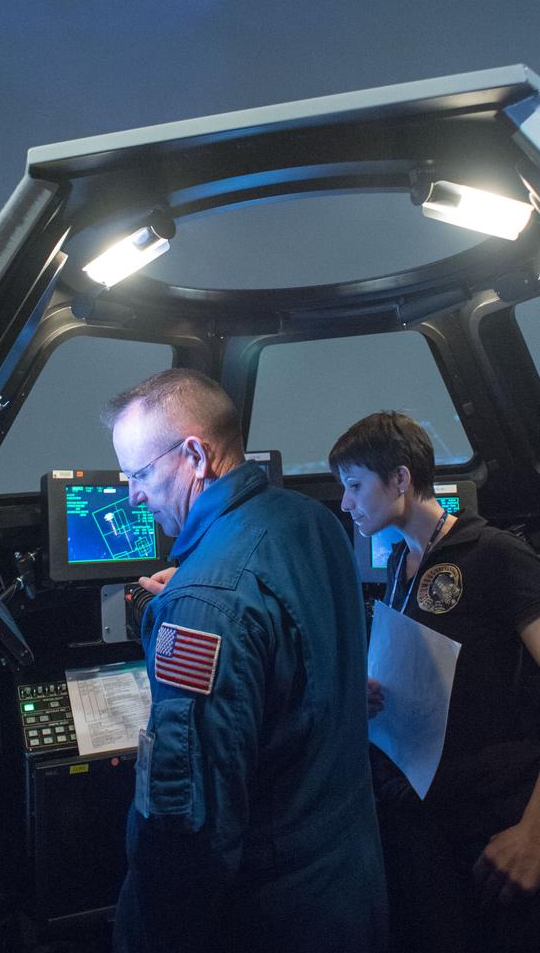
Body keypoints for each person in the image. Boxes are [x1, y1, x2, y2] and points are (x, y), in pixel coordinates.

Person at [329, 410, 540, 953]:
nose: (347, 503)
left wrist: (538, 834)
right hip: (429, 818)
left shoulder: (493, 553)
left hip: (492, 814)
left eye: (355, 486)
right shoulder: (403, 560)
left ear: (400, 479)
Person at [104, 368, 387, 953]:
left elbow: (188, 831)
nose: (132, 495)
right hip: (347, 888)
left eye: (138, 474)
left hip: (267, 920)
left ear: (194, 456)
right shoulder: (314, 524)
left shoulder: (204, 605)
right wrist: (200, 590)